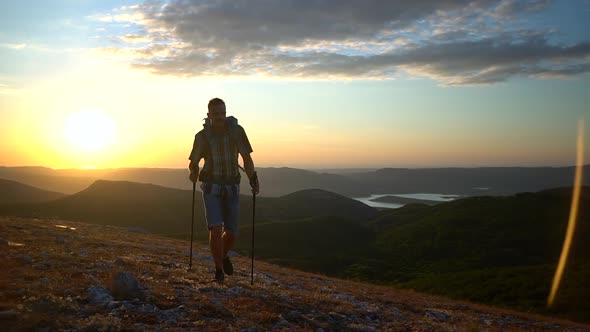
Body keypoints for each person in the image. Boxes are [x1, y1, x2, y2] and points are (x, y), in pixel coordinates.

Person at [188, 97, 259, 282]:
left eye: (222, 113)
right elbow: (193, 162)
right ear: (209, 115)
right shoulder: (202, 137)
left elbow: (246, 158)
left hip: (232, 187)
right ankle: (218, 270)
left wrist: (253, 177)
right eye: (216, 114)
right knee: (216, 228)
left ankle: (223, 254)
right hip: (211, 186)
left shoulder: (237, 131)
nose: (220, 117)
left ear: (225, 113)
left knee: (232, 232)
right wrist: (193, 171)